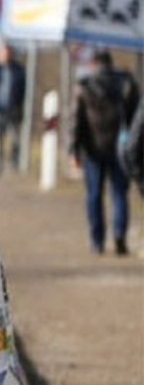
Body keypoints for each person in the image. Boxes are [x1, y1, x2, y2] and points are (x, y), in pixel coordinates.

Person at [69, 49, 140, 256]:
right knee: (119, 194)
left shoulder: (84, 87)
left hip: (92, 150)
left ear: (93, 64)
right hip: (121, 149)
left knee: (93, 196)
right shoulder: (126, 84)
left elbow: (76, 121)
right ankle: (119, 236)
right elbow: (137, 119)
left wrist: (73, 149)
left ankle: (97, 240)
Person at [0, 44, 27, 175]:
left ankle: (15, 162)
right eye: (2, 54)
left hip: (14, 109)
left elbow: (25, 91)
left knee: (15, 138)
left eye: (7, 53)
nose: (4, 56)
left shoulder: (19, 71)